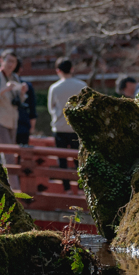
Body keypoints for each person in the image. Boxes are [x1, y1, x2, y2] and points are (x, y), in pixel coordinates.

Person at [48, 58, 88, 190]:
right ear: (72, 69)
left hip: (60, 127)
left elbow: (51, 108)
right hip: (77, 127)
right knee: (79, 159)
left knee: (62, 160)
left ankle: (67, 189)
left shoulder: (54, 87)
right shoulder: (82, 85)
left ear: (58, 70)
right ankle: (81, 187)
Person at [0, 50, 27, 164]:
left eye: (14, 62)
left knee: (9, 153)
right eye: (9, 61)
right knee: (8, 155)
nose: (11, 64)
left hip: (12, 120)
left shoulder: (15, 77)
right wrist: (4, 90)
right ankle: (12, 182)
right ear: (1, 61)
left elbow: (19, 101)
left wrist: (22, 92)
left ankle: (2, 179)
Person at [14, 58, 38, 146]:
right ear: (20, 68)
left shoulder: (4, 85)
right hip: (22, 124)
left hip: (9, 124)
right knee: (23, 153)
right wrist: (32, 126)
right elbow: (32, 107)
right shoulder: (27, 85)